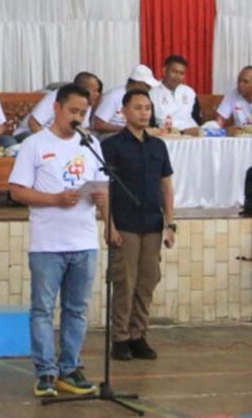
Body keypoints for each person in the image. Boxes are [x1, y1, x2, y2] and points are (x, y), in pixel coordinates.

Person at [8, 83, 109, 398]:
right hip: (48, 244)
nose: (77, 118)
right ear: (56, 108)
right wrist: (54, 199)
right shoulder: (34, 144)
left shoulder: (90, 144)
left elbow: (103, 187)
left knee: (76, 309)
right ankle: (45, 373)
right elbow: (17, 191)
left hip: (84, 241)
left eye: (83, 113)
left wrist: (109, 220)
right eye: (73, 111)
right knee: (42, 310)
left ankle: (70, 369)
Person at [102, 90, 175, 361]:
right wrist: (109, 225)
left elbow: (166, 187)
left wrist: (170, 223)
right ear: (123, 111)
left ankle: (138, 335)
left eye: (147, 108)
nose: (143, 113)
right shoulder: (112, 146)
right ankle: (120, 337)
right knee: (125, 282)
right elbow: (104, 189)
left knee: (147, 281)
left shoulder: (158, 146)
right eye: (137, 107)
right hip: (125, 223)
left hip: (152, 223)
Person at [13, 71, 101, 142]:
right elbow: (33, 123)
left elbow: (82, 128)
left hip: (59, 138)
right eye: (95, 90)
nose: (97, 94)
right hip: (29, 133)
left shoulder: (86, 102)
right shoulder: (59, 96)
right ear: (82, 89)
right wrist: (52, 141)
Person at [93, 64, 159, 136]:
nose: (149, 89)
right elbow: (98, 125)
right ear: (136, 83)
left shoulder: (142, 97)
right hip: (110, 136)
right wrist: (129, 130)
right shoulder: (113, 96)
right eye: (147, 86)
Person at [149, 55, 200, 135]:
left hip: (192, 135)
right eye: (174, 72)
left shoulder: (189, 92)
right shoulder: (153, 93)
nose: (177, 77)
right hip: (166, 135)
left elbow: (197, 118)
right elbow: (151, 123)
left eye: (181, 73)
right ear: (164, 71)